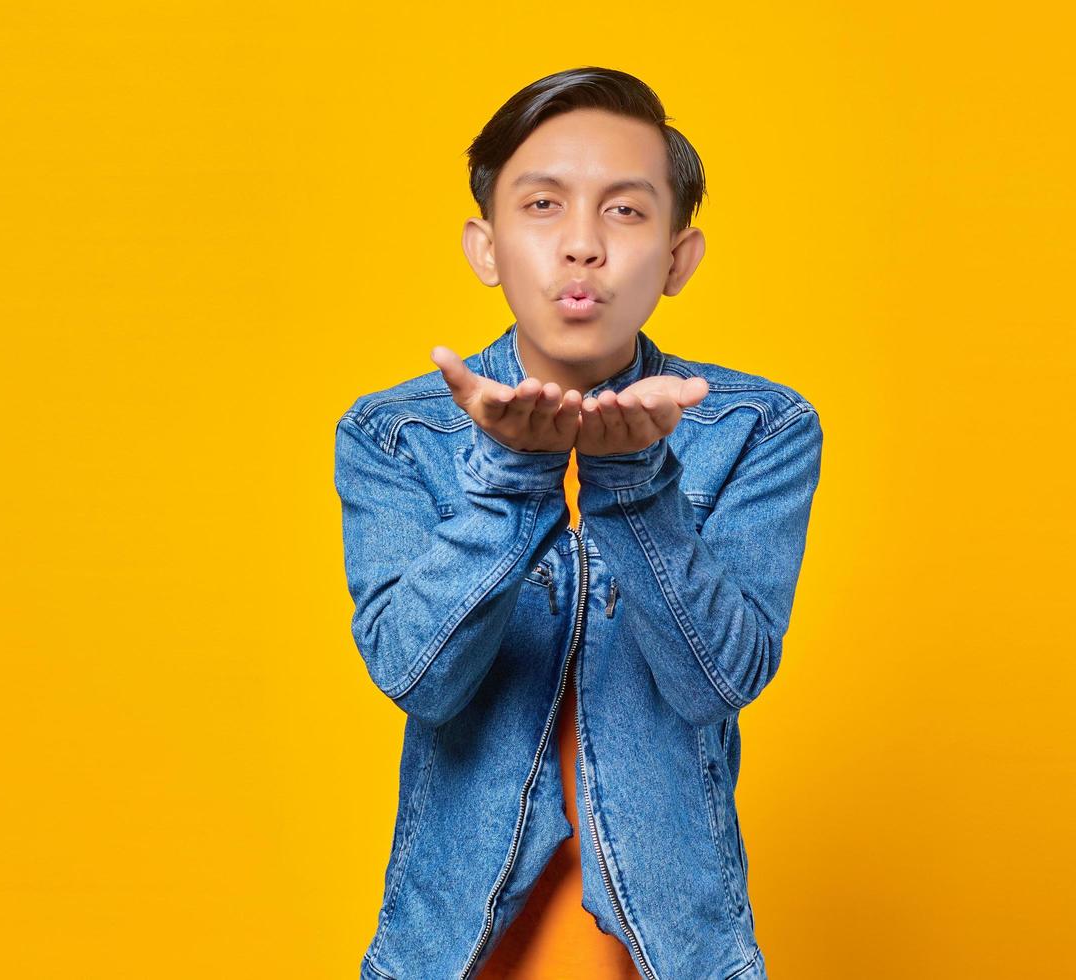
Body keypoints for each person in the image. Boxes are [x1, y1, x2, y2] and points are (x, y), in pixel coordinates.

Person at [335, 66, 823, 980]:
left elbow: (721, 680)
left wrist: (635, 483)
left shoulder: (761, 426)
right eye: (544, 205)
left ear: (679, 257)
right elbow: (414, 677)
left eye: (626, 212)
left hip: (676, 952)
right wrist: (513, 478)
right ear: (486, 247)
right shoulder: (391, 433)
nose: (583, 247)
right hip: (451, 950)